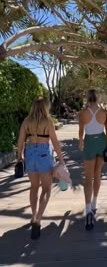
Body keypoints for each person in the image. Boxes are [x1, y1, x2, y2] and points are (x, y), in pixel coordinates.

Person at [16, 98, 65, 240]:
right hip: (44, 154)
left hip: (30, 152)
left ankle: (33, 216)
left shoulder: (27, 121)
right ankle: (38, 219)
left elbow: (20, 140)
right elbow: (55, 142)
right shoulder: (48, 121)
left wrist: (19, 157)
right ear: (45, 107)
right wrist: (61, 160)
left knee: (34, 187)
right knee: (46, 188)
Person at [78, 89, 107, 231]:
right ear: (98, 98)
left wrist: (81, 142)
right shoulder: (104, 113)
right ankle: (94, 202)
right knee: (97, 173)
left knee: (88, 178)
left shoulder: (82, 113)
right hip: (101, 142)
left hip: (89, 142)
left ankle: (88, 209)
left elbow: (81, 132)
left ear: (88, 98)